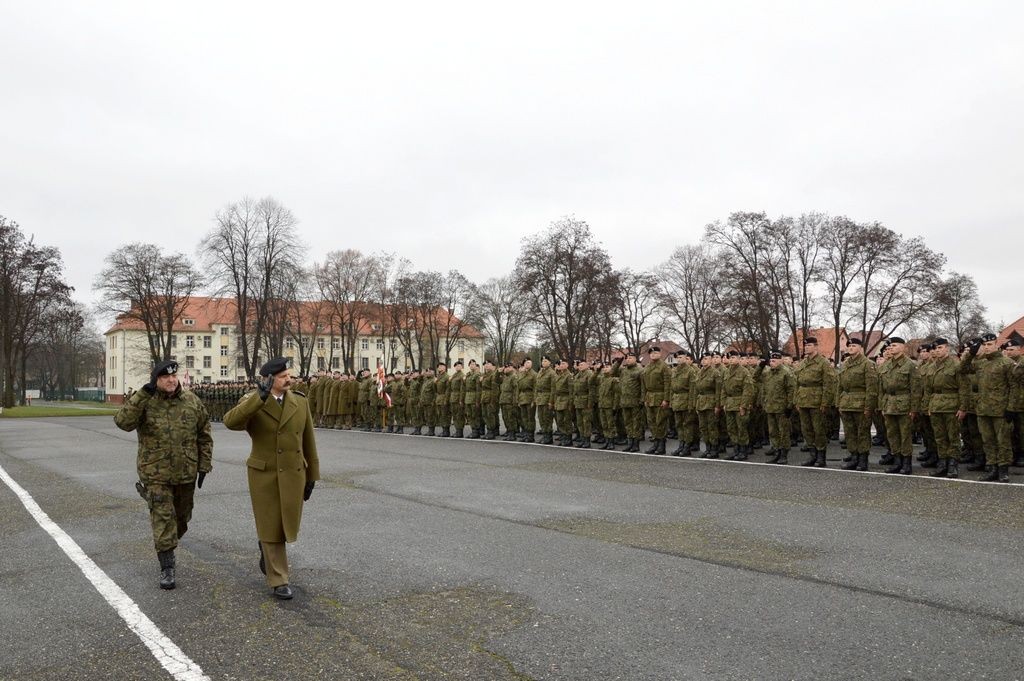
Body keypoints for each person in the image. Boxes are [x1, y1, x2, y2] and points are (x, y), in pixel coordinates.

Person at [223, 357, 320, 600]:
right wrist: (259, 397)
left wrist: (312, 475)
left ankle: (266, 550)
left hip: (294, 472)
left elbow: (308, 441)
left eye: (289, 375)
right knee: (271, 524)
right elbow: (231, 422)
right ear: (269, 380)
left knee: (285, 524)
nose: (289, 379)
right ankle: (279, 580)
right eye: (283, 376)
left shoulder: (299, 401)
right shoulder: (253, 401)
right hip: (264, 473)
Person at [114, 360, 213, 590]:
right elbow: (122, 422)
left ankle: (168, 543)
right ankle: (167, 566)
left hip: (185, 472)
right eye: (165, 377)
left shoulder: (191, 401)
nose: (171, 380)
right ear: (156, 379)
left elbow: (204, 434)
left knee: (182, 518)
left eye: (173, 376)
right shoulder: (145, 402)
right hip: (155, 473)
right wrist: (141, 394)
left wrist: (203, 466)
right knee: (163, 518)